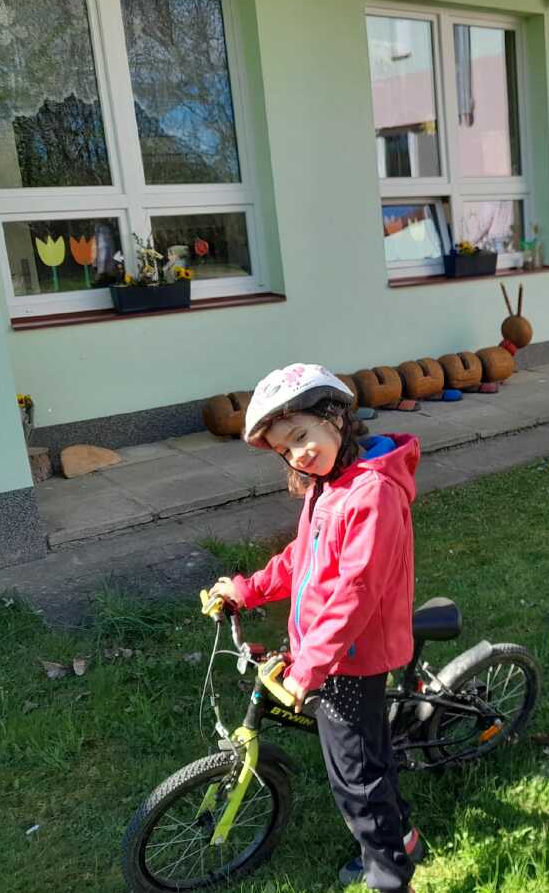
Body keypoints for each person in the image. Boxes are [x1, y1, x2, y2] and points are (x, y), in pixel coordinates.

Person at [207, 364, 422, 892]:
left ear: (337, 418)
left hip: (352, 659)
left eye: (301, 436)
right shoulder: (328, 486)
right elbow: (301, 558)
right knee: (367, 757)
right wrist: (249, 589)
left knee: (357, 781)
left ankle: (390, 876)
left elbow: (356, 591)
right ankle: (404, 834)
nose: (297, 454)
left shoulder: (371, 493)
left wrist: (310, 667)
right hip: (330, 653)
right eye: (285, 448)